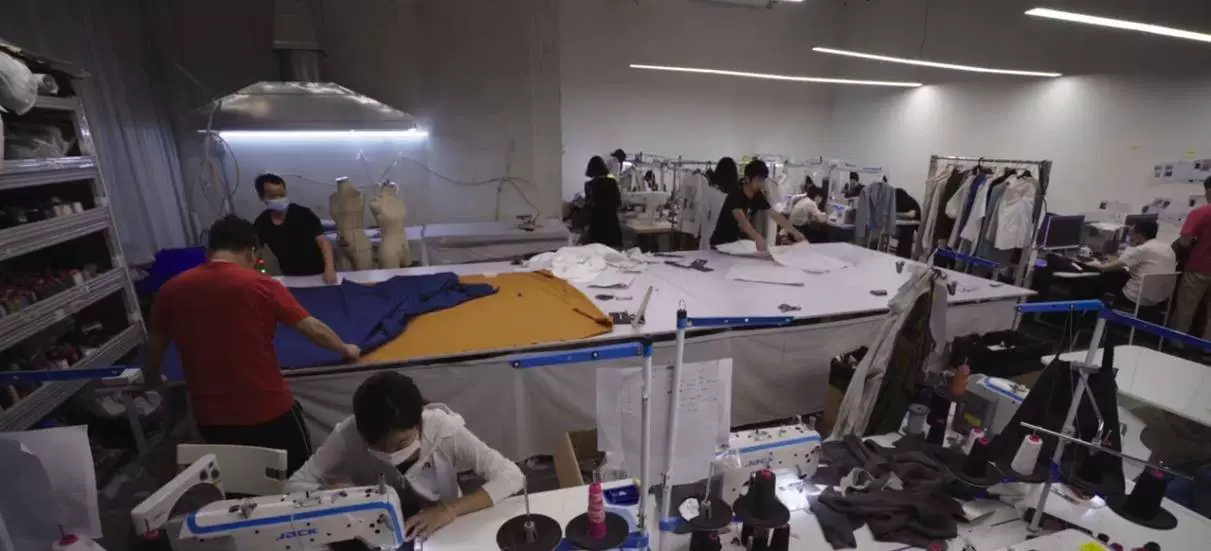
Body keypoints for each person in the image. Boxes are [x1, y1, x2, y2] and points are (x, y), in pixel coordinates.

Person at [143, 216, 361, 474]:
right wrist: (345, 348)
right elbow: (312, 328)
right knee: (299, 480)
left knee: (238, 485)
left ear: (209, 251)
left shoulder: (171, 290)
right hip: (268, 411)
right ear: (251, 251)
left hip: (211, 419)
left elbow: (154, 345)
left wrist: (153, 379)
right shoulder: (261, 284)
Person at [289, 372, 523, 541]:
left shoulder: (443, 429)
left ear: (419, 422)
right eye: (377, 446)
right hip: (376, 530)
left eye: (402, 443)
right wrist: (330, 495)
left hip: (445, 529)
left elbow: (511, 475)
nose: (391, 454)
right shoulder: (347, 435)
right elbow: (294, 485)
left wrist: (450, 509)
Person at [253, 173, 339, 284]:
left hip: (319, 273)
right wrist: (257, 274)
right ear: (262, 197)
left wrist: (330, 268)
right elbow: (255, 252)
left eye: (282, 195)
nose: (279, 199)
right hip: (290, 276)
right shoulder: (262, 223)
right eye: (273, 196)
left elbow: (324, 243)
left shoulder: (303, 214)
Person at [709, 159, 806, 251]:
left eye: (763, 180)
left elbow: (774, 215)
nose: (761, 184)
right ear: (747, 179)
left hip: (736, 243)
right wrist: (757, 237)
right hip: (721, 243)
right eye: (758, 180)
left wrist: (795, 232)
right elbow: (743, 221)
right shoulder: (735, 194)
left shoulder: (757, 195)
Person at [1088, 220, 1176, 315]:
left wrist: (1085, 262)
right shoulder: (1167, 248)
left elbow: (1105, 267)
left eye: (1131, 234)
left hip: (1134, 298)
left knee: (1099, 279)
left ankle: (1094, 314)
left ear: (1138, 236)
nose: (1129, 236)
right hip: (1157, 299)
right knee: (1119, 275)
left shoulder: (1143, 249)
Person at [1172, 176, 1211, 345]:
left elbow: (1184, 241)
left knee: (1185, 310)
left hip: (1198, 269)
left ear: (1209, 190)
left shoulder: (1200, 213)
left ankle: (1176, 344)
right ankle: (1207, 349)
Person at [581, 156, 623, 248]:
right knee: (613, 252)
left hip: (597, 223)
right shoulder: (612, 181)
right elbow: (618, 202)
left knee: (597, 252)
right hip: (612, 223)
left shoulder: (589, 185)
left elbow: (587, 206)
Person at [894, 185, 921, 258]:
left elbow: (911, 215)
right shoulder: (903, 200)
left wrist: (896, 214)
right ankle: (901, 255)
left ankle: (902, 255)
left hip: (912, 226)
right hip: (906, 224)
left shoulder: (910, 202)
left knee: (906, 233)